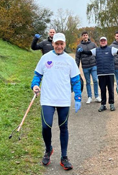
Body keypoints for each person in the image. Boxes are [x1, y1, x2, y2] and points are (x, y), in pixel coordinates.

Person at [31, 33, 82, 171]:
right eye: (56, 44)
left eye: (61, 44)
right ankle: (48, 150)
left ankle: (64, 157)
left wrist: (77, 97)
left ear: (64, 44)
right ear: (53, 44)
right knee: (46, 126)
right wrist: (35, 85)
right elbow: (37, 75)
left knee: (63, 127)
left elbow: (76, 80)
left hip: (63, 99)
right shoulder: (45, 58)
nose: (59, 46)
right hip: (47, 98)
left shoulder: (69, 60)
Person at [77, 37, 118, 112]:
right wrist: (82, 51)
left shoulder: (111, 49)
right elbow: (88, 53)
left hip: (110, 73)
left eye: (104, 41)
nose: (103, 42)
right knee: (103, 90)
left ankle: (111, 104)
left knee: (111, 89)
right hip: (101, 73)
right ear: (100, 42)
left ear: (106, 41)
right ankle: (103, 105)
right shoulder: (96, 50)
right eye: (101, 41)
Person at [75, 31, 101, 104]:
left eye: (86, 35)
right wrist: (76, 68)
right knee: (88, 82)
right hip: (85, 66)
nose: (85, 36)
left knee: (95, 80)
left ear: (88, 36)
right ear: (82, 37)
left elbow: (97, 53)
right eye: (84, 35)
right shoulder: (79, 46)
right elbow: (77, 58)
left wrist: (99, 63)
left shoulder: (93, 44)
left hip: (93, 65)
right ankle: (89, 96)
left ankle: (97, 96)